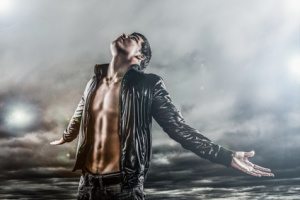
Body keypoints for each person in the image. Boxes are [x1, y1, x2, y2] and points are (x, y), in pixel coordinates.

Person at [50, 32, 275, 200]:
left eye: (134, 38)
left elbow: (178, 128)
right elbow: (82, 109)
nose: (126, 35)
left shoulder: (148, 84)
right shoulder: (94, 81)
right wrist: (68, 135)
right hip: (86, 185)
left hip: (123, 187)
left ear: (138, 56)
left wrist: (224, 156)